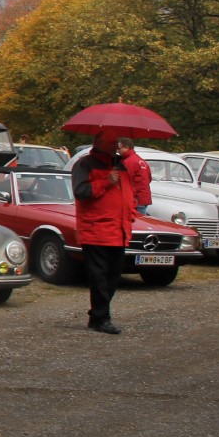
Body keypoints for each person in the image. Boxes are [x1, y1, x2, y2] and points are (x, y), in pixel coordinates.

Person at [71, 130, 136, 335]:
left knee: (113, 276)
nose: (115, 147)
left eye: (116, 143)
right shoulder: (85, 164)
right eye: (111, 143)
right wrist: (106, 181)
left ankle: (97, 314)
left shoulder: (120, 164)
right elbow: (81, 193)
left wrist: (131, 212)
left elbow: (127, 193)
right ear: (99, 143)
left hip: (119, 229)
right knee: (100, 277)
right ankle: (102, 318)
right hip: (96, 229)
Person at [118, 137, 152, 214]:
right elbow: (149, 178)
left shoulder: (128, 162)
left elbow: (123, 181)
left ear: (127, 147)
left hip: (135, 198)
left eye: (119, 148)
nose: (118, 151)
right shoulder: (140, 160)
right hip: (143, 197)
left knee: (135, 223)